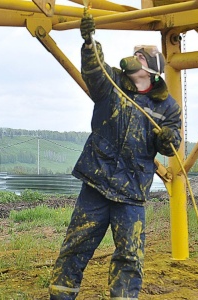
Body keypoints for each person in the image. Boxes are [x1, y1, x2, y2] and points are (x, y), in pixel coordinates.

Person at [49, 15, 182, 300]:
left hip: (131, 193)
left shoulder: (167, 107)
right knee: (76, 247)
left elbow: (171, 146)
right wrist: (89, 42)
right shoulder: (110, 83)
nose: (133, 58)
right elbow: (93, 70)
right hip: (96, 184)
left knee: (130, 257)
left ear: (151, 70)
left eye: (139, 56)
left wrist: (168, 140)